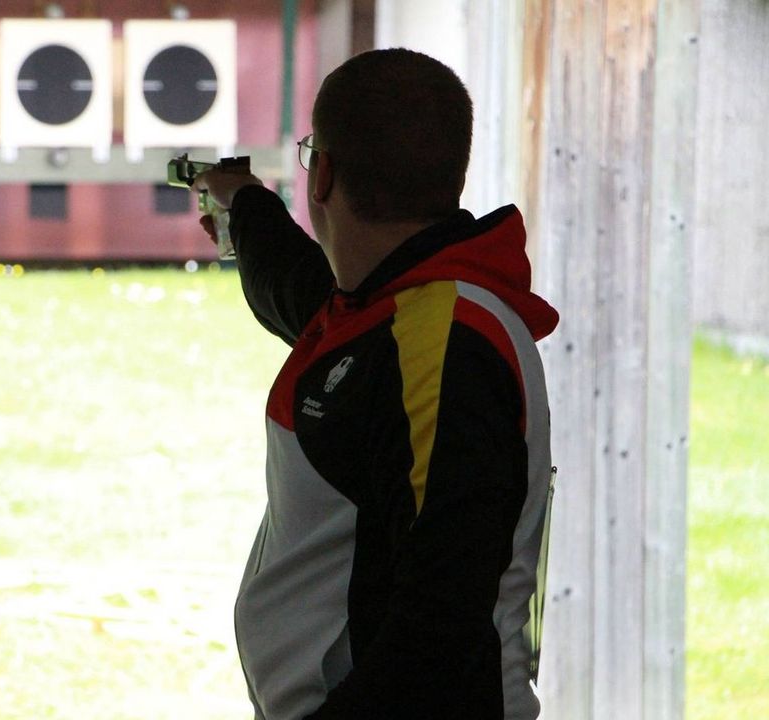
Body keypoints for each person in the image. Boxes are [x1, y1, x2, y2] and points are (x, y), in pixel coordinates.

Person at [193, 48, 559, 720]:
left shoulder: (445, 346)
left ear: (324, 173)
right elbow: (298, 288)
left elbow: (437, 630)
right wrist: (242, 201)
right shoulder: (400, 311)